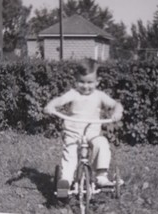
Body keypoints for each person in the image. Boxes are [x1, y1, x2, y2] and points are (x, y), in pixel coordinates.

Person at [44, 58, 123, 190]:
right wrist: (51, 105)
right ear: (76, 81)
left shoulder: (99, 95)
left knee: (102, 144)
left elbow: (116, 104)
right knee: (70, 155)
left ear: (97, 81)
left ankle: (101, 176)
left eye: (90, 82)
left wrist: (117, 112)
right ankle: (66, 181)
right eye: (81, 82)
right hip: (73, 133)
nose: (85, 86)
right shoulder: (73, 94)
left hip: (92, 133)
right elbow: (60, 100)